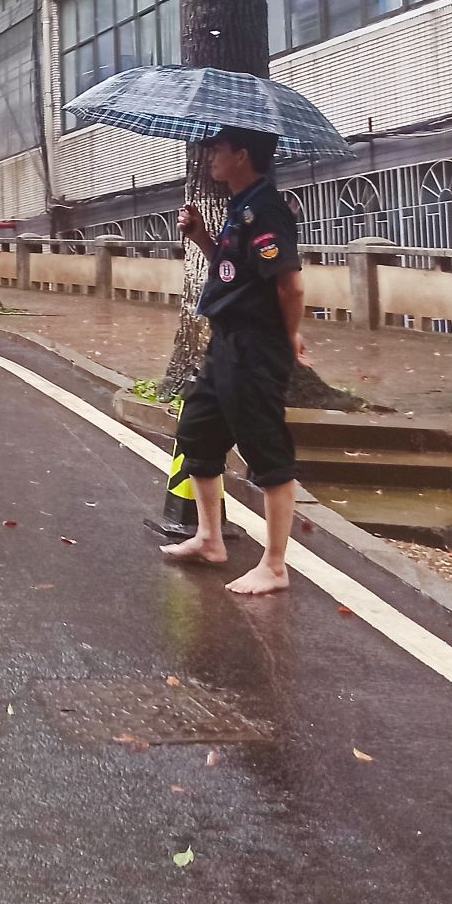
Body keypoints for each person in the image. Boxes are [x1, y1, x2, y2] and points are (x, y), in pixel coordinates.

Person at [160, 127, 308, 595]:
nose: (210, 156)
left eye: (219, 149)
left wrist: (289, 336)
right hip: (225, 344)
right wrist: (202, 237)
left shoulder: (266, 210)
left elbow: (290, 285)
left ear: (242, 155)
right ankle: (209, 538)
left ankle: (275, 565)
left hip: (255, 347)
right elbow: (233, 271)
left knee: (267, 453)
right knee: (198, 434)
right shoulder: (240, 207)